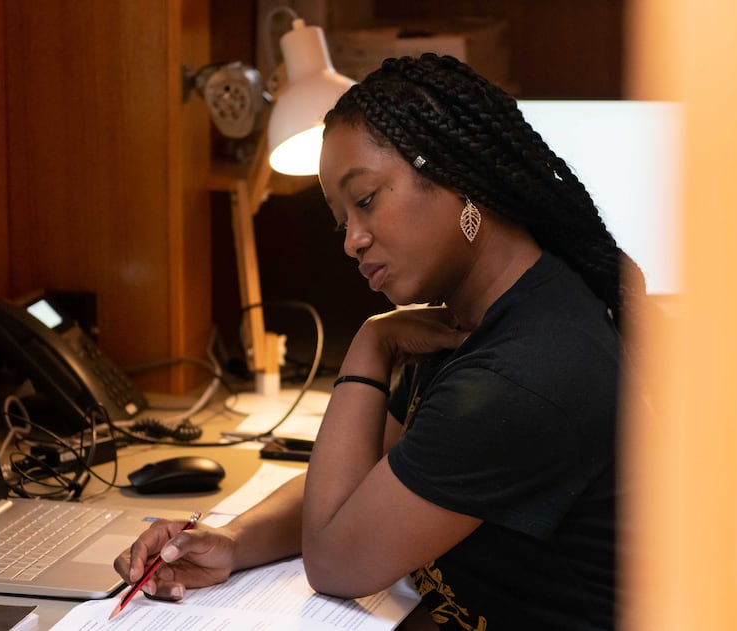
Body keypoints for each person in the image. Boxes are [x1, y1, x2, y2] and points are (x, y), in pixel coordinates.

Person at [115, 53, 648, 630]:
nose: (351, 240)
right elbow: (369, 485)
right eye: (341, 219)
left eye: (366, 199)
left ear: (458, 176)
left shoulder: (520, 374)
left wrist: (371, 344)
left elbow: (334, 559)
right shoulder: (483, 313)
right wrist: (234, 540)